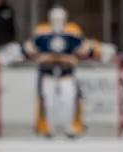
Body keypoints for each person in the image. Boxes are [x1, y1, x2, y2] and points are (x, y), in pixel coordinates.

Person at [17, 5, 114, 138]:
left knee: (68, 101)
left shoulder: (72, 32)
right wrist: (36, 56)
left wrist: (100, 51)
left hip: (66, 73)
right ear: (50, 19)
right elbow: (29, 49)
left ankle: (70, 127)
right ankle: (48, 127)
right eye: (55, 18)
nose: (57, 21)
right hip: (47, 73)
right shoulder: (42, 32)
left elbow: (85, 48)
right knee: (48, 102)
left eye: (60, 18)